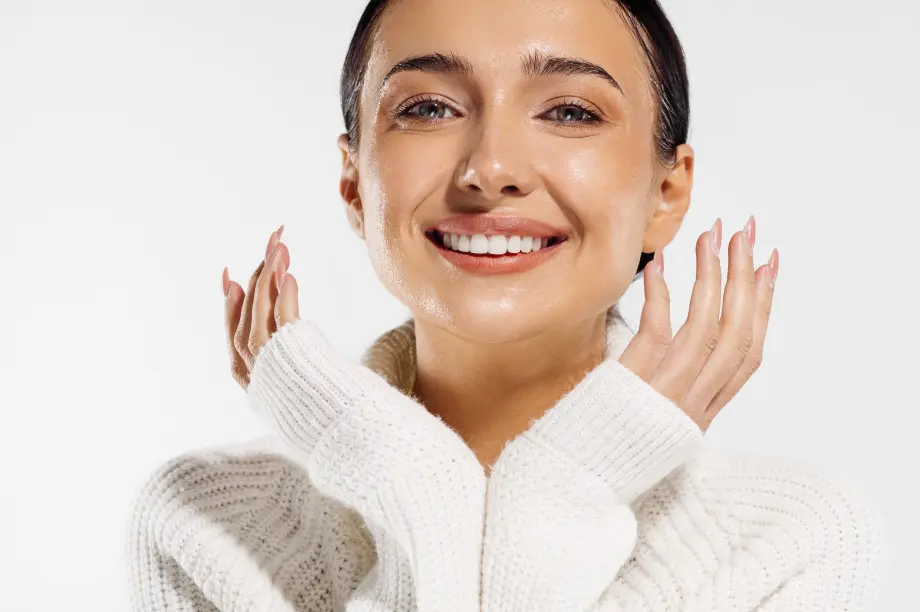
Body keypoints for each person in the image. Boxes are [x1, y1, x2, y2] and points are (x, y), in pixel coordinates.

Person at [125, 0, 885, 610]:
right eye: (426, 108)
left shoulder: (792, 539)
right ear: (355, 183)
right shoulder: (208, 522)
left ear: (666, 192)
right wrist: (402, 477)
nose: (490, 168)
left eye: (571, 112)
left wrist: (567, 490)